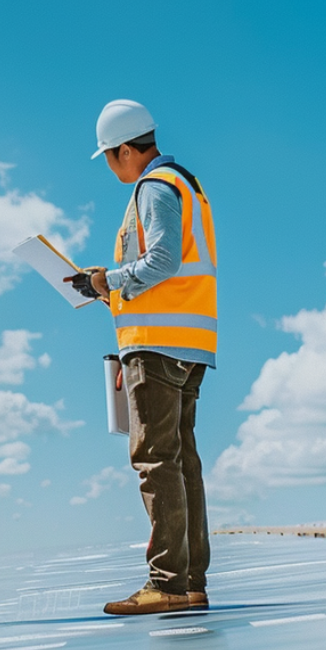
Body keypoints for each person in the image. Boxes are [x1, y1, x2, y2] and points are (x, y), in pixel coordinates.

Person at [70, 99, 219, 615]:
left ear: (127, 151)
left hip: (157, 343)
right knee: (181, 462)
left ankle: (168, 583)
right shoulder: (185, 185)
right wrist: (106, 287)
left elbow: (161, 260)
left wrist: (107, 280)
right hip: (189, 343)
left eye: (111, 158)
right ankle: (190, 580)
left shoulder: (153, 187)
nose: (112, 168)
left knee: (155, 461)